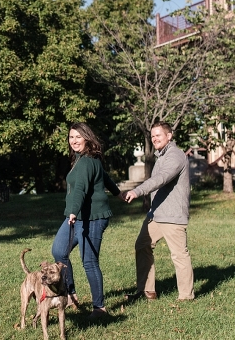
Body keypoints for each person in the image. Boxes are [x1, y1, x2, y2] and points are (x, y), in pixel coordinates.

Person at [51, 122, 123, 319]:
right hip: (78, 216)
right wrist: (119, 194)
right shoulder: (84, 159)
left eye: (78, 137)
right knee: (59, 251)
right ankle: (70, 292)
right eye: (71, 137)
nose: (73, 141)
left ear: (87, 138)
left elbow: (81, 188)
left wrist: (73, 212)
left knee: (89, 261)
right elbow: (105, 178)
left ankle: (99, 308)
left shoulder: (87, 161)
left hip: (92, 218)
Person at [123, 121, 194, 302]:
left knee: (179, 255)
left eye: (158, 135)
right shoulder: (161, 156)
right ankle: (147, 291)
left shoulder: (175, 156)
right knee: (142, 245)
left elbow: (161, 179)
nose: (154, 139)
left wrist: (137, 191)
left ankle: (186, 296)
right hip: (157, 214)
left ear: (169, 136)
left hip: (172, 214)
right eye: (152, 136)